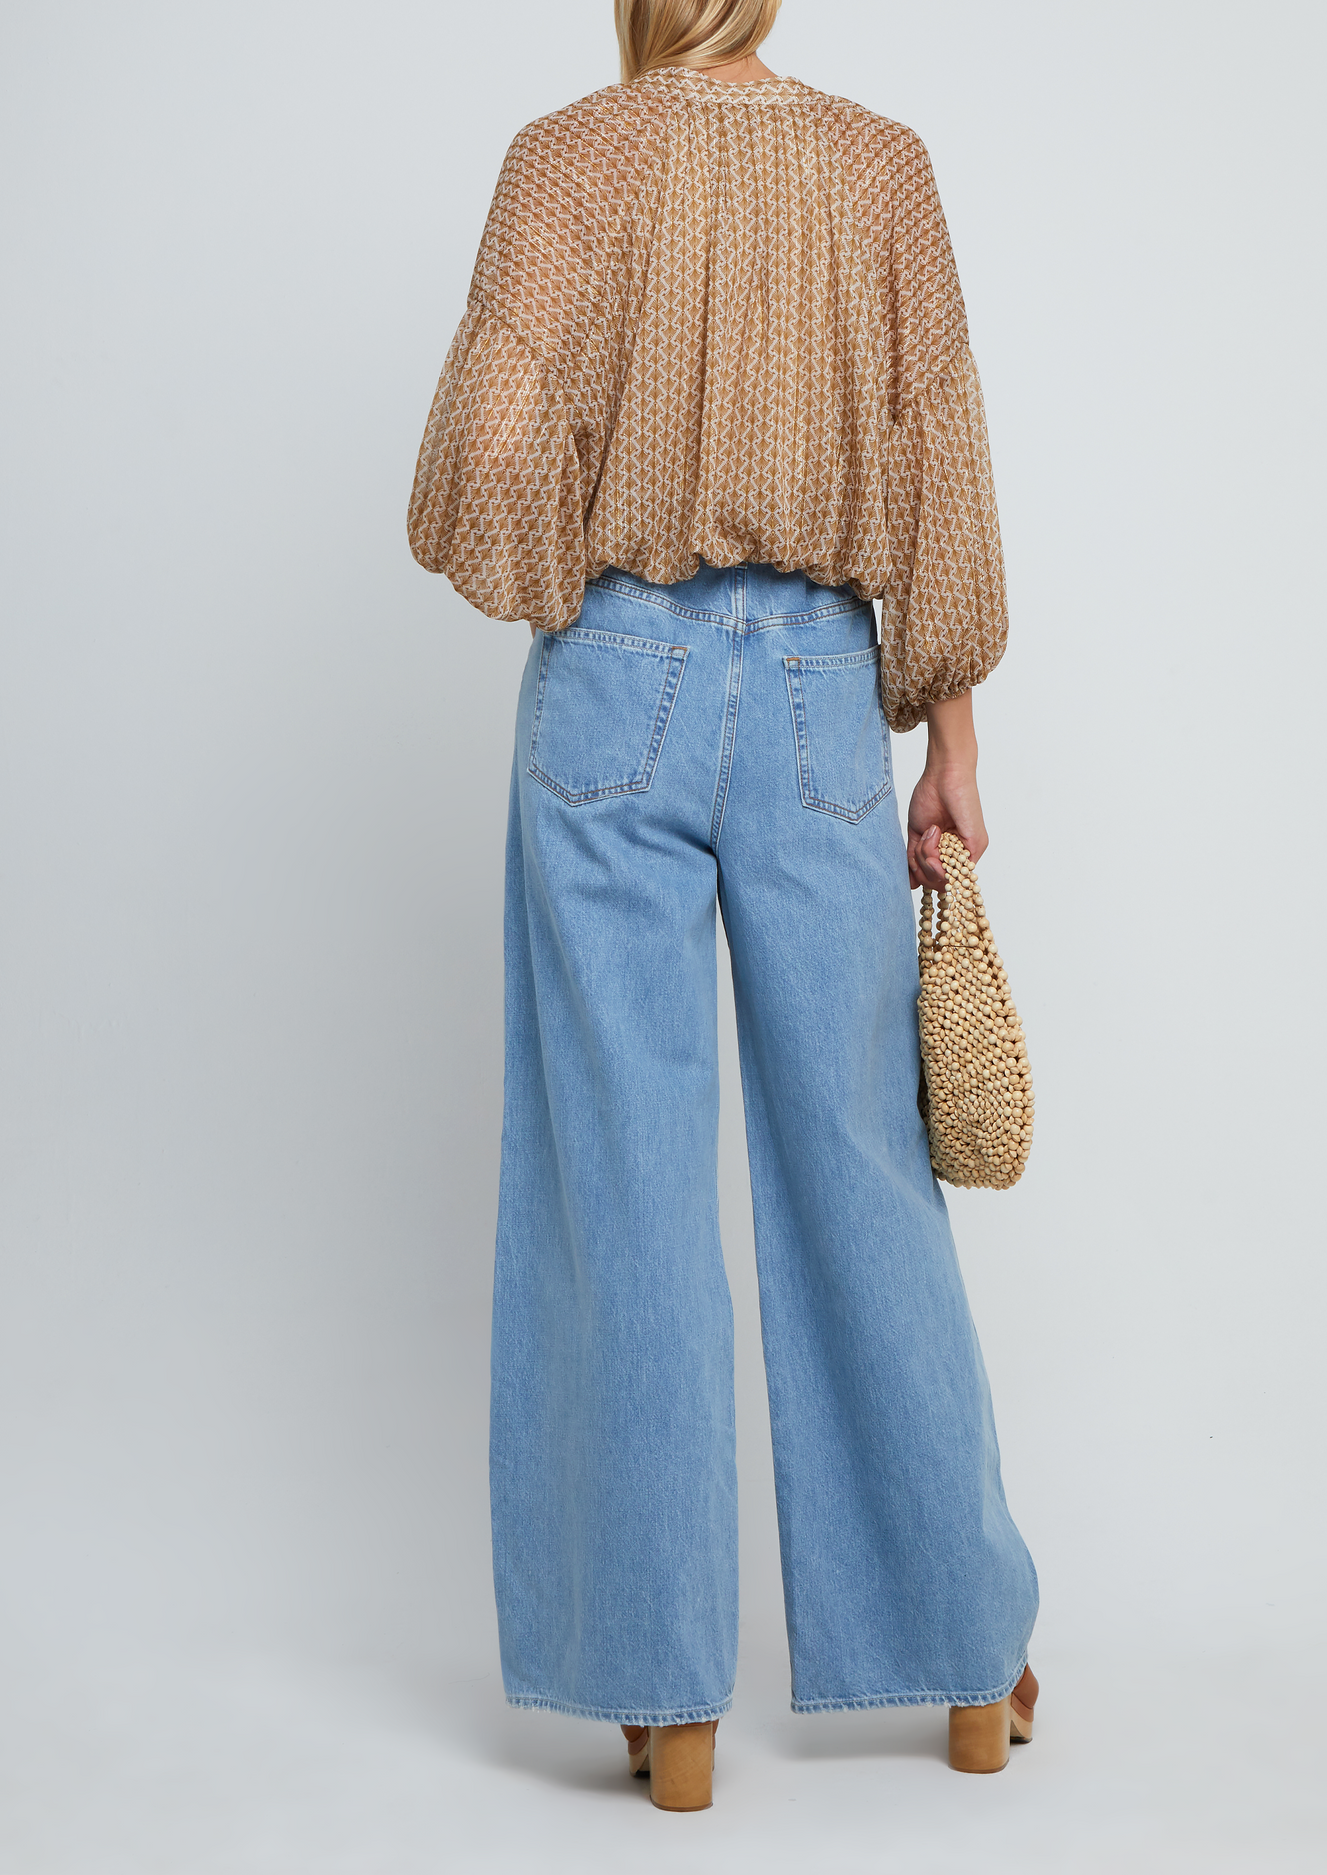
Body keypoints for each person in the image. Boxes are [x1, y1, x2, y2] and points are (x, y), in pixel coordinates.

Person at [407, 0, 1039, 1811]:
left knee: (620, 1172)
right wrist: (951, 742)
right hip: (825, 693)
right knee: (864, 1160)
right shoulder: (878, 169)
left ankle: (663, 1701)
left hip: (614, 679)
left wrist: (587, 587)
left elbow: (482, 465)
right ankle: (966, 1662)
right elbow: (941, 474)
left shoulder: (565, 160)